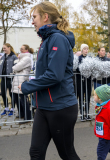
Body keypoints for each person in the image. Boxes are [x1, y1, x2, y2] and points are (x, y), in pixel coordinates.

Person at [18, 2, 80, 159]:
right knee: (36, 152)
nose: (32, 21)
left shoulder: (57, 39)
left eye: (34, 17)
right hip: (43, 107)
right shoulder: (46, 39)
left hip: (61, 107)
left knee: (67, 154)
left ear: (45, 17)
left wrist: (27, 86)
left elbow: (54, 75)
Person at [11, 45, 33, 123]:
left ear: (26, 50)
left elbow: (16, 67)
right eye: (20, 48)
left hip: (22, 80)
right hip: (17, 80)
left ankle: (28, 117)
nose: (20, 50)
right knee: (17, 98)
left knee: (23, 99)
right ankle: (22, 113)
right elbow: (16, 66)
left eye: (22, 49)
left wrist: (14, 68)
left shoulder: (27, 58)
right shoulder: (21, 58)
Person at [0, 43, 18, 116]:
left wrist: (12, 74)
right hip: (3, 78)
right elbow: (0, 66)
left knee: (11, 94)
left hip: (10, 79)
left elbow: (16, 67)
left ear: (9, 48)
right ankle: (6, 108)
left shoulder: (14, 57)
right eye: (3, 48)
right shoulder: (2, 57)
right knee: (3, 93)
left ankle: (12, 109)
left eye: (5, 48)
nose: (4, 49)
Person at [76, 44, 92, 122]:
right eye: (84, 49)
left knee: (88, 97)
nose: (86, 50)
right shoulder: (78, 58)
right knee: (81, 97)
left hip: (88, 80)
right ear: (82, 50)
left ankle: (87, 113)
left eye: (87, 49)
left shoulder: (90, 58)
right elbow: (76, 68)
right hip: (80, 81)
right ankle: (82, 114)